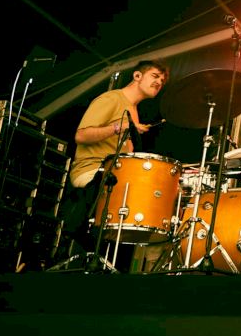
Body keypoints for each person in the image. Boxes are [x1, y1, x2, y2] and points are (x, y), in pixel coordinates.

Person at [61, 60, 168, 253]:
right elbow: (81, 136)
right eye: (155, 76)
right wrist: (120, 127)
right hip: (92, 172)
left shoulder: (133, 110)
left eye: (162, 80)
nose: (159, 82)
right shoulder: (112, 99)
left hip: (113, 176)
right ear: (137, 76)